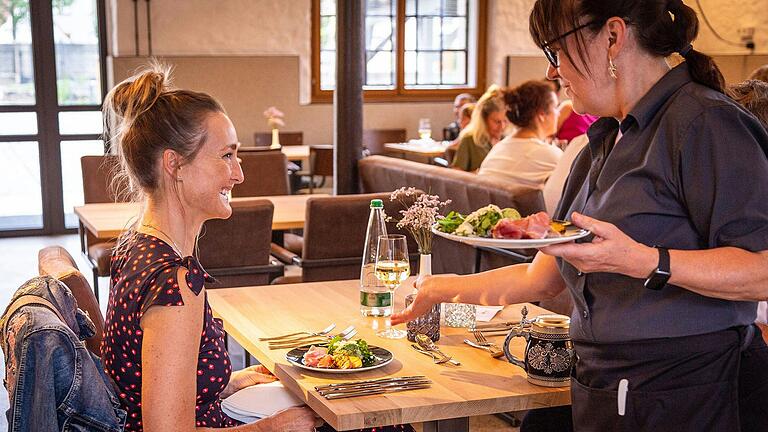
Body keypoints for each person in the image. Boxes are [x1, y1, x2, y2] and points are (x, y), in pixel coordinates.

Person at [394, 0, 768, 430]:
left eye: (555, 51)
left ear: (612, 37)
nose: (552, 71)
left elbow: (761, 271)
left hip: (680, 389)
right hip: (601, 381)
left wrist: (644, 260)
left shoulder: (705, 123)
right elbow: (540, 279)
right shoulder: (600, 145)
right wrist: (437, 288)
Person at [101, 65, 318, 431]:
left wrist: (229, 384)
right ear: (175, 165)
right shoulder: (173, 284)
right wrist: (275, 427)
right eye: (226, 156)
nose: (239, 174)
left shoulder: (136, 247)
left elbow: (151, 382)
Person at [477, 80, 563, 190]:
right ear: (541, 114)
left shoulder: (498, 148)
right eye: (555, 107)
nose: (558, 113)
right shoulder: (550, 155)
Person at [450, 86, 508, 172]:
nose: (502, 127)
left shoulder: (506, 141)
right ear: (484, 120)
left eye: (505, 121)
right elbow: (456, 175)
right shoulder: (469, 140)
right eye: (497, 122)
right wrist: (476, 173)